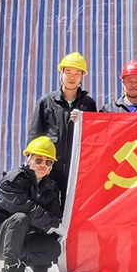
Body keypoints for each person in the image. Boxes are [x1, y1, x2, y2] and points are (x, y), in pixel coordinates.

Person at [0, 136, 63, 272]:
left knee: (53, 247)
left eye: (48, 162)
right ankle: (9, 271)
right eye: (39, 160)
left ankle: (35, 267)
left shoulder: (50, 187)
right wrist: (53, 223)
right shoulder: (14, 180)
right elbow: (24, 208)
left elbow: (53, 218)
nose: (43, 165)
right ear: (28, 159)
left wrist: (57, 226)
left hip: (22, 238)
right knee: (20, 218)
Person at [28, 52, 97, 200]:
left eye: (77, 73)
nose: (72, 77)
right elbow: (35, 134)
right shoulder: (46, 102)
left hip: (76, 169)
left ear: (82, 76)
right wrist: (33, 162)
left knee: (72, 205)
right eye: (68, 72)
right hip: (50, 166)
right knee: (46, 204)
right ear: (61, 73)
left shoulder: (88, 104)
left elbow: (94, 138)